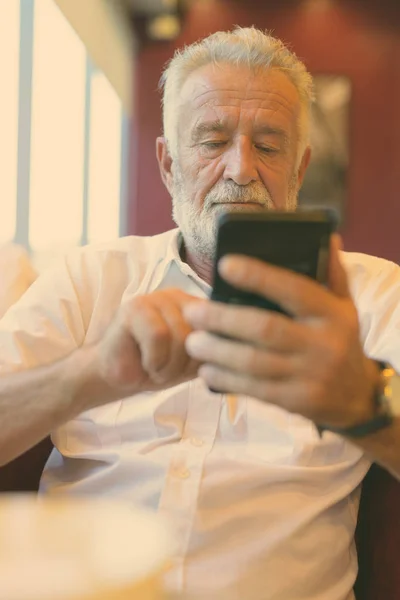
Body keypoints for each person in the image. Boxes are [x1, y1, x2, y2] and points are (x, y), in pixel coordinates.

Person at [0, 26, 399, 600]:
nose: (240, 170)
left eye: (267, 145)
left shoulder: (375, 295)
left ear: (300, 168)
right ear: (168, 164)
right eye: (212, 141)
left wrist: (364, 402)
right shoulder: (92, 278)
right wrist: (89, 376)